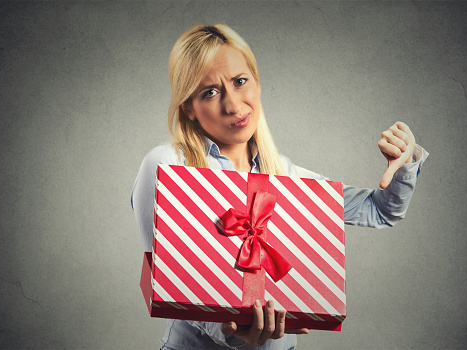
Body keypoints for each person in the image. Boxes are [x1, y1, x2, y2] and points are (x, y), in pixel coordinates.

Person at [131, 24, 428, 350]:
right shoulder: (166, 165)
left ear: (257, 84)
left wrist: (407, 160)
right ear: (188, 107)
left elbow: (381, 210)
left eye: (240, 82)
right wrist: (234, 332)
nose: (232, 105)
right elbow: (166, 281)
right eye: (210, 92)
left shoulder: (289, 177)